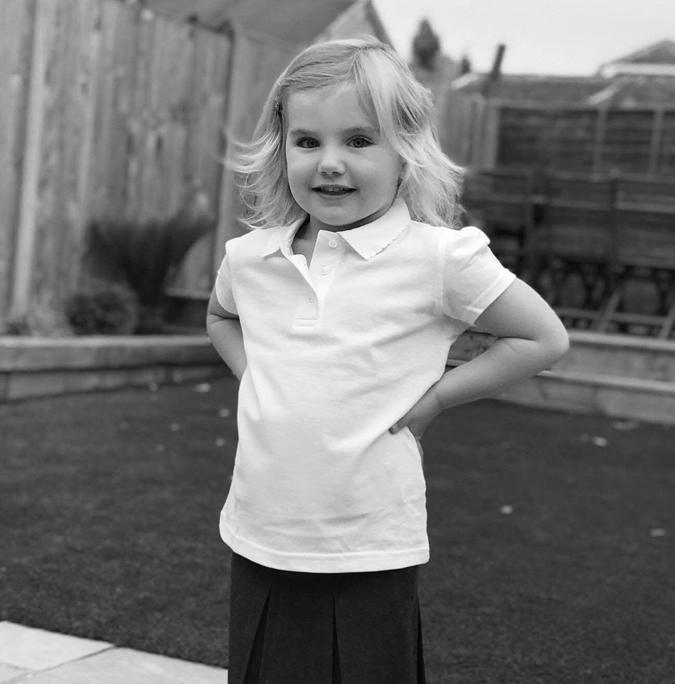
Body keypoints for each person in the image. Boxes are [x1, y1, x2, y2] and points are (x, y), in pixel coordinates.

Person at [207, 36, 569, 684]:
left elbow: (543, 338)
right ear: (281, 148)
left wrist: (437, 397)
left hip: (369, 544)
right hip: (260, 529)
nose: (330, 163)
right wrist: (254, 375)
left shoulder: (440, 258)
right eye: (307, 141)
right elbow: (220, 317)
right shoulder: (250, 258)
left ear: (405, 150)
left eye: (358, 140)